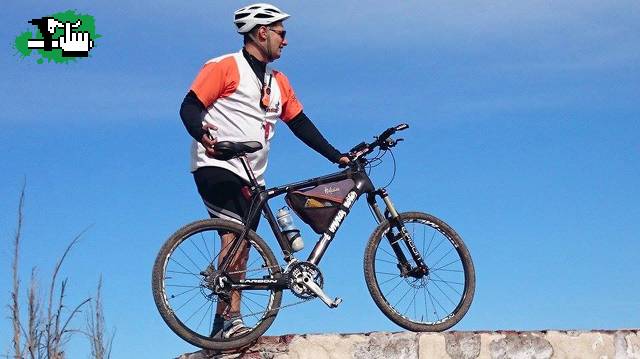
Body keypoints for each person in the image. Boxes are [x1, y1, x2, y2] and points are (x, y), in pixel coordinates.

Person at [179, 3, 349, 338]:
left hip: (253, 175)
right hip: (217, 164)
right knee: (235, 232)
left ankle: (220, 328)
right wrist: (203, 134)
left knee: (241, 243)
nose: (285, 41)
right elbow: (190, 106)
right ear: (262, 33)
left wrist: (337, 156)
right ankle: (233, 318)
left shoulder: (279, 82)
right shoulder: (224, 67)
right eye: (281, 34)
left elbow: (299, 123)